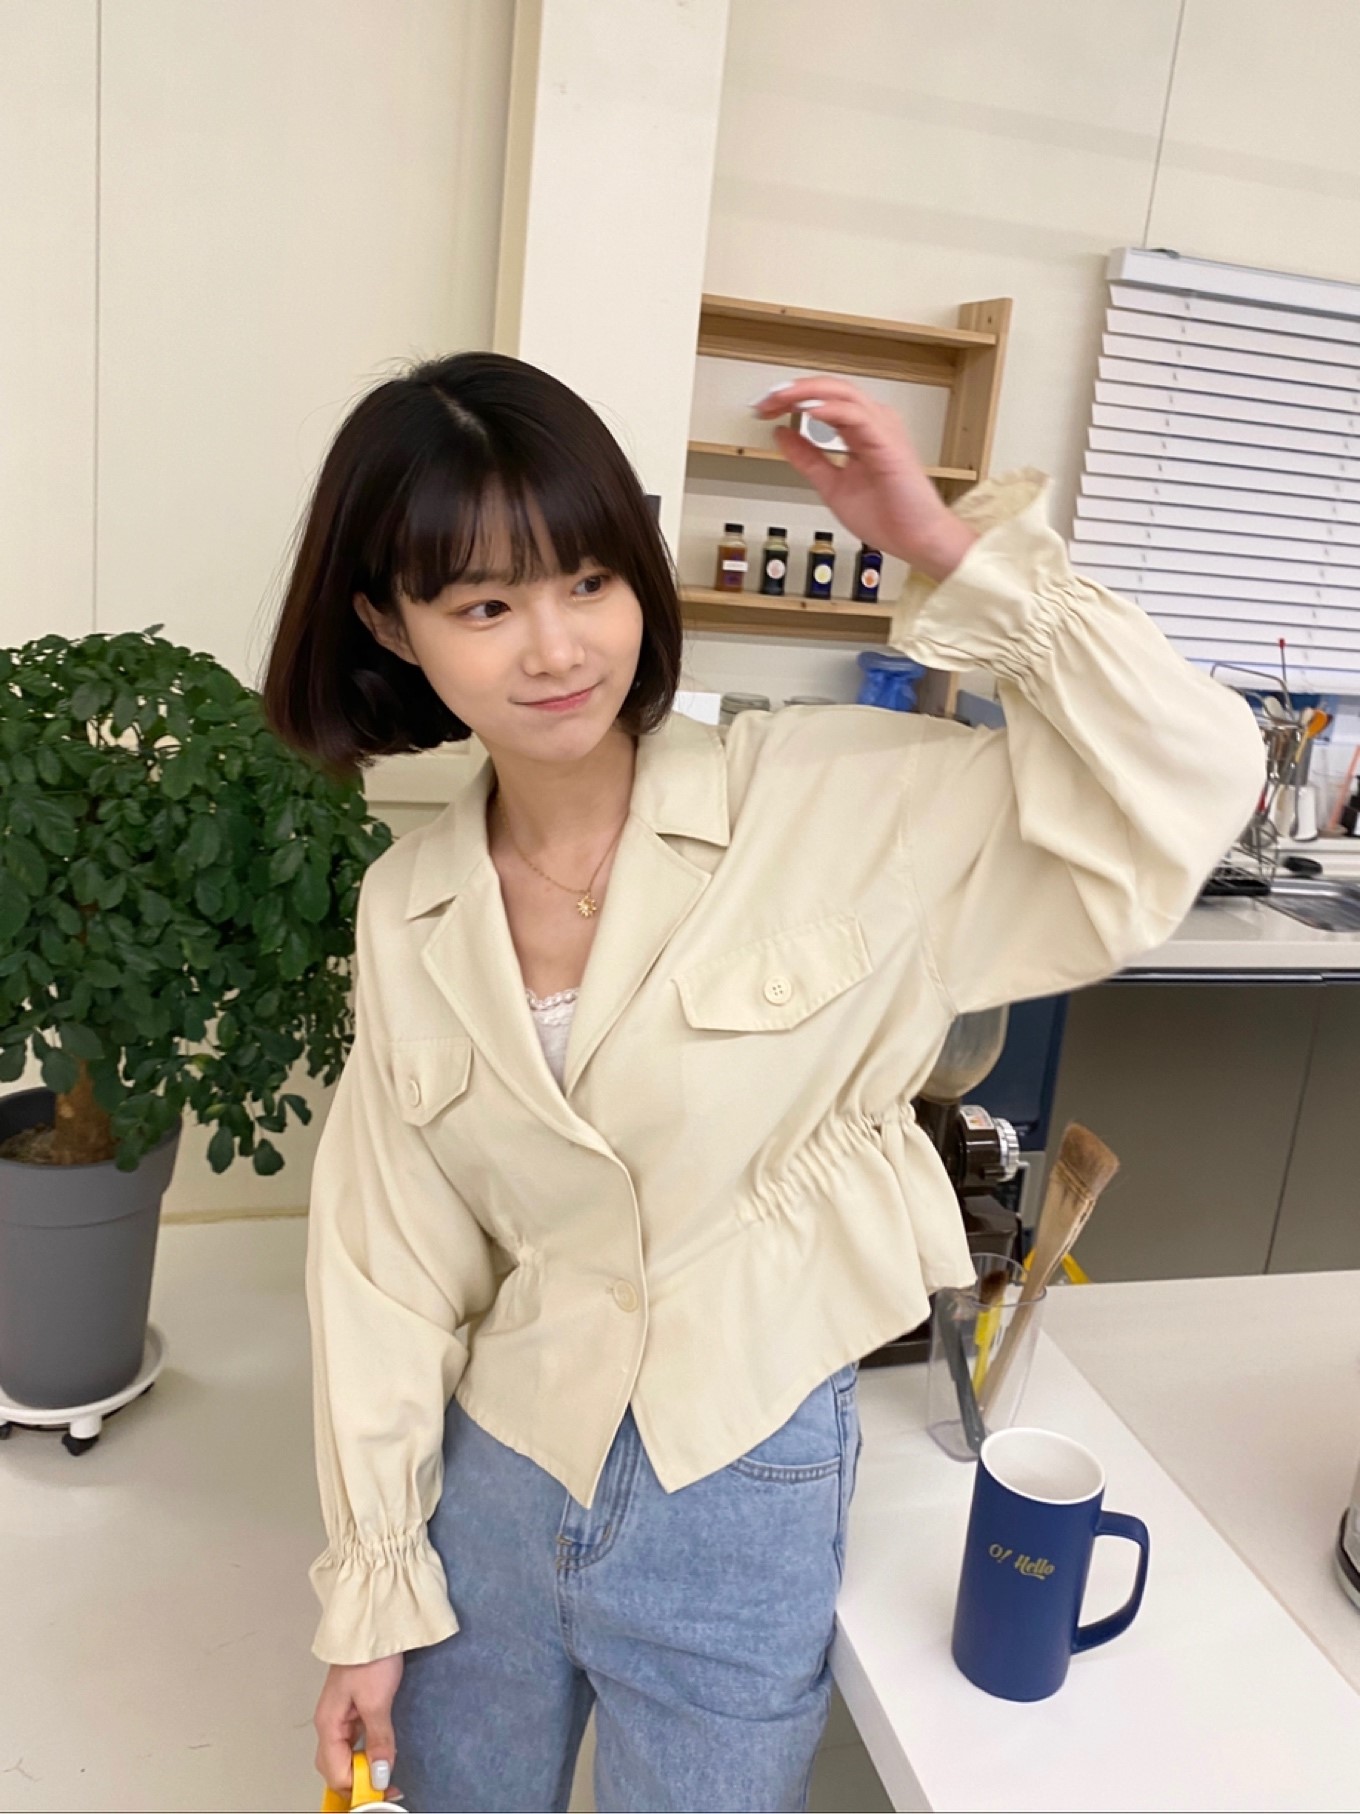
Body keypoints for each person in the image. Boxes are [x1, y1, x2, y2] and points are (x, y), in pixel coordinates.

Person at [260, 352, 1265, 1812]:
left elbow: (1193, 783)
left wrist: (952, 551)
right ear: (387, 624)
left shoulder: (838, 799)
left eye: (590, 580)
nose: (556, 647)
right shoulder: (407, 906)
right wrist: (371, 1593)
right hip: (497, 1478)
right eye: (484, 606)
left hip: (741, 1483)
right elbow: (385, 1269)